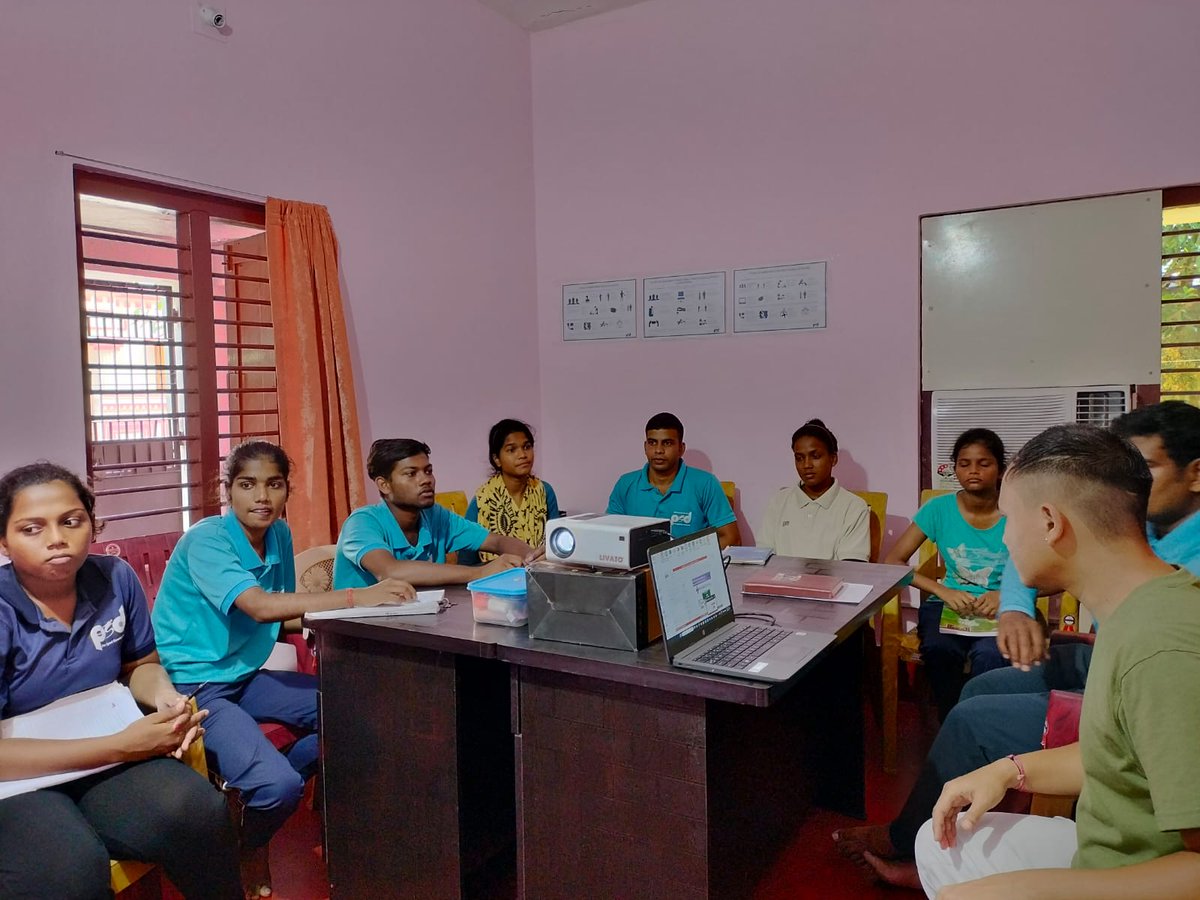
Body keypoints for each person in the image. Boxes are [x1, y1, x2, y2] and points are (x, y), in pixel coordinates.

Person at [834, 401, 1200, 890]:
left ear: (1051, 524)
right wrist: (1011, 771)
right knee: (936, 844)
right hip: (1104, 842)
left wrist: (1035, 890)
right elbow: (1113, 754)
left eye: (1010, 521)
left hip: (1134, 874)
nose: (1004, 541)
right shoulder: (1132, 607)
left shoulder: (1162, 648)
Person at [152, 440, 415, 897]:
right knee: (277, 787)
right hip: (196, 684)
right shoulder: (206, 539)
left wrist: (369, 615)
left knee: (362, 719)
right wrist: (357, 596)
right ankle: (249, 845)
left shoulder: (280, 534)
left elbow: (287, 614)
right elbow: (259, 606)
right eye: (247, 485)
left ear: (287, 490)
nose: (262, 497)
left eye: (274, 484)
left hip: (246, 674)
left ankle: (263, 788)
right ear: (227, 491)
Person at [0, 462, 241, 898]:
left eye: (71, 521)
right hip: (16, 778)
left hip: (104, 754)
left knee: (198, 810)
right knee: (67, 869)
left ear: (91, 522)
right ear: (4, 540)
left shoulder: (114, 578)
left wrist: (166, 696)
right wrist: (121, 746)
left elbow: (138, 665)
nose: (56, 538)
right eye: (31, 529)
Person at [883, 428, 1009, 720]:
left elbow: (1046, 572)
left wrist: (1005, 594)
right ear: (955, 469)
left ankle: (982, 725)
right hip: (949, 605)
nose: (973, 471)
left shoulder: (1017, 512)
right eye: (964, 464)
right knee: (940, 649)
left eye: (984, 463)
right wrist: (942, 590)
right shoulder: (938, 509)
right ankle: (952, 724)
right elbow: (893, 561)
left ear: (1001, 469)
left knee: (991, 655)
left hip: (1002, 607)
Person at [333, 438, 541, 589]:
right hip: (358, 634)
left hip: (413, 625)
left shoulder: (435, 515)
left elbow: (495, 542)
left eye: (428, 471)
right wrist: (479, 573)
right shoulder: (362, 522)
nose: (426, 480)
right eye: (411, 474)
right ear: (384, 485)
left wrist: (533, 560)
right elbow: (389, 571)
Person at [606, 412, 741, 548]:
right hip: (637, 568)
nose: (659, 450)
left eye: (667, 443)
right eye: (652, 443)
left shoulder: (705, 483)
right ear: (645, 447)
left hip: (690, 566)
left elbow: (731, 538)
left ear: (681, 449)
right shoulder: (626, 484)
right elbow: (608, 535)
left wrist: (683, 558)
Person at [757, 418, 871, 560]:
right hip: (780, 581)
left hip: (834, 582)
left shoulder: (854, 507)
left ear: (833, 459)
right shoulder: (779, 501)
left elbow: (852, 567)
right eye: (799, 458)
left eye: (815, 456)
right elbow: (763, 558)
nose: (806, 465)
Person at [463, 419, 560, 565]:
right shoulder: (482, 500)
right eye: (511, 450)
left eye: (527, 447)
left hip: (540, 575)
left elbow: (556, 547)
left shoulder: (544, 492)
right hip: (492, 580)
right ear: (497, 459)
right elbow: (466, 562)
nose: (522, 455)